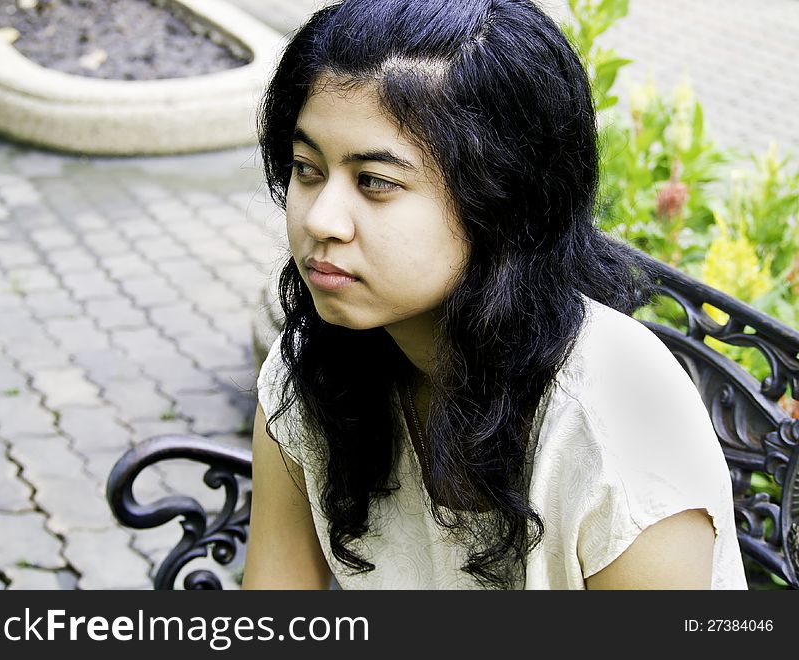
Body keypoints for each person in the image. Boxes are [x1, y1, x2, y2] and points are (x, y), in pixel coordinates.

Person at [241, 0, 747, 589]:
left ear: (501, 200)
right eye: (308, 168)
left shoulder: (614, 423)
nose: (322, 218)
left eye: (375, 182)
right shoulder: (312, 369)